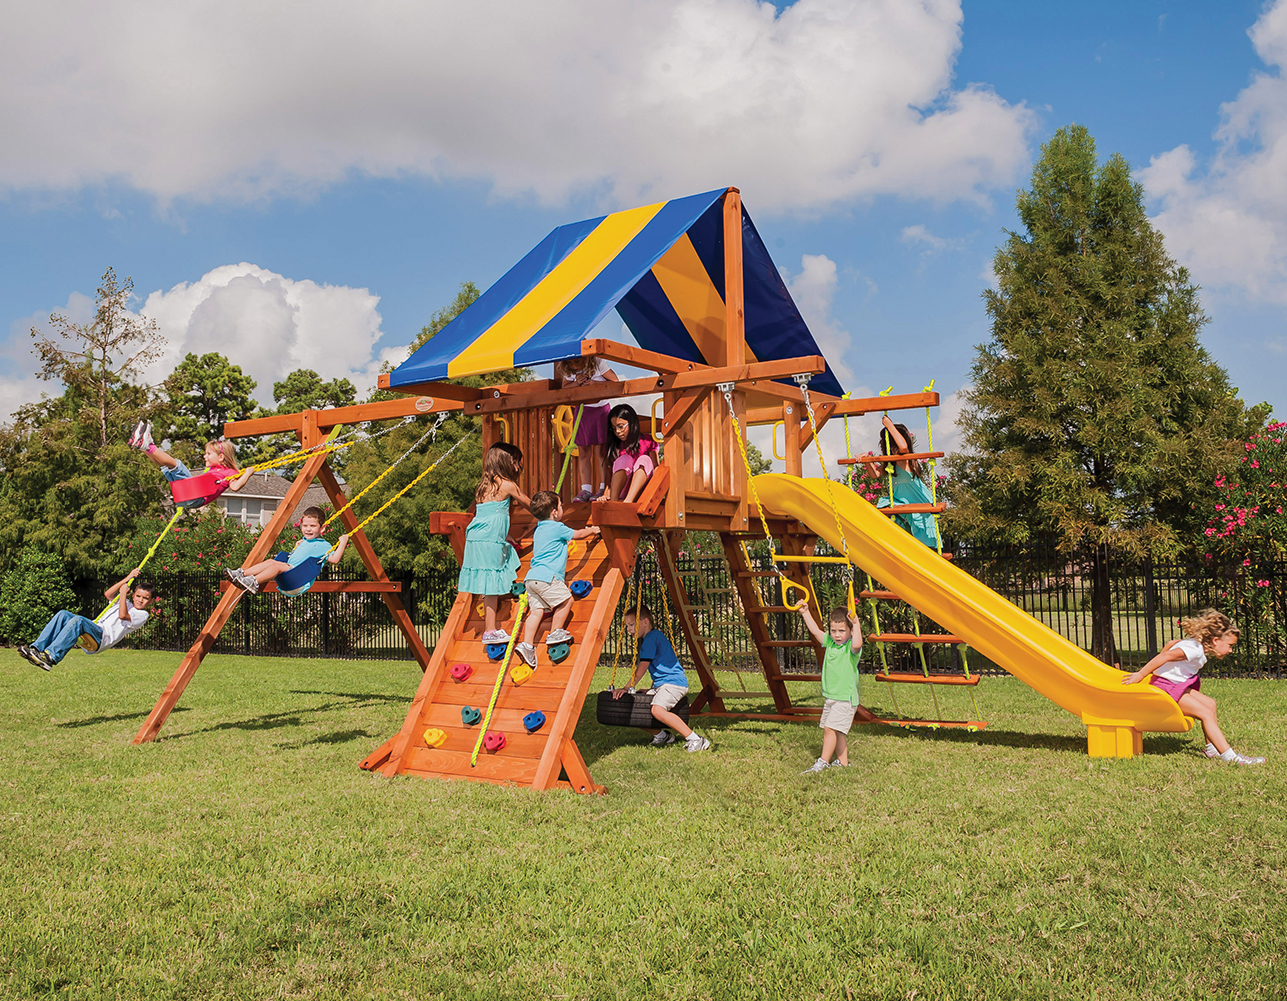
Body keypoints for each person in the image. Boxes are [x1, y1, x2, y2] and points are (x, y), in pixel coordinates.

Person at [1121, 609, 1264, 765]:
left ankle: (1212, 750)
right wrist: (1141, 675)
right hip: (1167, 688)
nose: (1230, 650)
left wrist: (1159, 672)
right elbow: (1166, 655)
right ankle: (1230, 757)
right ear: (1216, 640)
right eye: (1230, 645)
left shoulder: (1197, 645)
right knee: (1205, 713)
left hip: (1173, 684)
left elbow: (1171, 644)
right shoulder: (1194, 649)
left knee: (1210, 704)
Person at [514, 490, 601, 667]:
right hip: (547, 578)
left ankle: (527, 645)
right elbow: (578, 534)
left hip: (531, 580)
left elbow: (551, 547)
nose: (562, 509)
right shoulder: (558, 527)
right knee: (566, 601)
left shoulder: (539, 529)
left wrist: (562, 545)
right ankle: (555, 632)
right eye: (561, 506)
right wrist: (592, 530)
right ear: (554, 512)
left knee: (536, 612)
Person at [611, 605, 710, 752]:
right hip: (663, 684)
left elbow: (643, 666)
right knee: (638, 708)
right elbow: (659, 668)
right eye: (627, 626)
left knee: (657, 710)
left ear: (645, 622)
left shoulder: (651, 639)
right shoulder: (653, 637)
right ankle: (662, 735)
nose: (629, 629)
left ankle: (696, 739)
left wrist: (626, 688)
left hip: (674, 684)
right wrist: (653, 689)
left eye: (632, 625)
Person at [458, 442, 530, 643]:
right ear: (504, 463)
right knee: (490, 584)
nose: (518, 467)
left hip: (476, 538)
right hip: (489, 540)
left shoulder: (484, 486)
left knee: (488, 579)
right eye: (515, 462)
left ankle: (490, 627)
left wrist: (504, 535)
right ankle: (490, 630)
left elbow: (488, 514)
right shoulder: (507, 485)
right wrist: (550, 512)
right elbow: (529, 504)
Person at [18, 569, 154, 670]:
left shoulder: (142, 615)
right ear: (134, 595)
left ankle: (51, 657)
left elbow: (123, 616)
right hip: (95, 629)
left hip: (102, 637)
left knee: (78, 620)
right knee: (63, 614)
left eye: (145, 598)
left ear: (151, 601)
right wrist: (128, 577)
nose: (140, 600)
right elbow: (108, 594)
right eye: (138, 596)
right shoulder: (124, 602)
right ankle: (36, 649)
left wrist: (123, 593)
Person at [798, 604, 864, 773]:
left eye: (841, 631)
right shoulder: (831, 643)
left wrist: (856, 624)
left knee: (830, 729)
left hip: (845, 699)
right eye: (834, 631)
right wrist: (805, 612)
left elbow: (857, 643)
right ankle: (843, 762)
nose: (837, 635)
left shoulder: (851, 648)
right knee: (838, 732)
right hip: (832, 697)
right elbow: (816, 632)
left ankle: (823, 762)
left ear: (849, 632)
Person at [225, 507, 349, 596]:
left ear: (322, 528)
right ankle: (242, 573)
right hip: (287, 578)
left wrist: (342, 543)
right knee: (271, 561)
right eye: (305, 526)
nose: (308, 529)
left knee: (276, 565)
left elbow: (335, 559)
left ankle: (254, 582)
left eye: (313, 526)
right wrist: (298, 545)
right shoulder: (303, 541)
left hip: (298, 581)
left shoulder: (324, 545)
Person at [129, 422, 253, 508]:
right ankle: (143, 446)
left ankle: (149, 445)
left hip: (195, 497)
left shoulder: (230, 472)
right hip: (184, 496)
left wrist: (247, 473)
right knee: (166, 465)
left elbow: (235, 487)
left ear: (221, 457)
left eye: (209, 454)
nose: (205, 456)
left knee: (176, 465)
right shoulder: (214, 470)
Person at [555, 357, 619, 503]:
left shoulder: (598, 364)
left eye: (576, 362)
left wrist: (594, 383)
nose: (573, 365)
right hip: (583, 410)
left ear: (586, 358)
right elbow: (565, 387)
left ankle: (604, 486)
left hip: (600, 409)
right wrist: (576, 383)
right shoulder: (569, 370)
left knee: (601, 450)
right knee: (583, 450)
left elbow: (615, 382)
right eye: (570, 362)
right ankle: (586, 489)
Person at [869, 415, 937, 548]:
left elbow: (904, 448)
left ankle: (930, 551)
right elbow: (875, 474)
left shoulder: (905, 460)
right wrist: (866, 460)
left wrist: (890, 426)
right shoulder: (891, 464)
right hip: (903, 504)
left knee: (924, 537)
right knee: (904, 536)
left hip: (918, 501)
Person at [600, 404, 657, 504]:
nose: (617, 431)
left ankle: (628, 502)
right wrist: (606, 494)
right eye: (614, 428)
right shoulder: (615, 446)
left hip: (643, 490)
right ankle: (614, 502)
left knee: (644, 459)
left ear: (632, 423)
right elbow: (609, 473)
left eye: (621, 427)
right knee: (624, 459)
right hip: (622, 490)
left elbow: (656, 468)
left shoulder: (647, 441)